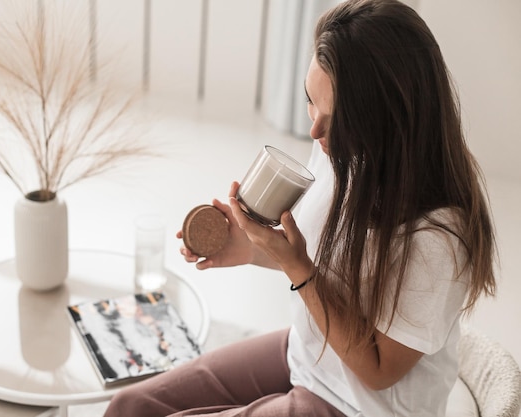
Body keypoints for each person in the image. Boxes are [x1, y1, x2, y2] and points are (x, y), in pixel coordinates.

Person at [103, 0, 497, 415]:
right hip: (308, 354)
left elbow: (379, 371)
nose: (315, 131)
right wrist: (251, 249)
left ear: (389, 118)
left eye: (338, 118)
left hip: (358, 405)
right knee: (131, 405)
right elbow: (335, 267)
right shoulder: (341, 151)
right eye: (311, 101)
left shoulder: (437, 238)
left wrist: (297, 269)